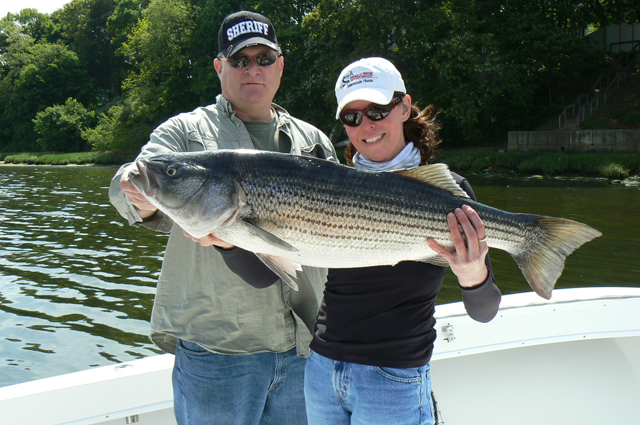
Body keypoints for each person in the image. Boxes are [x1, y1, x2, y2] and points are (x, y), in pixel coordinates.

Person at [109, 10, 336, 425]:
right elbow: (130, 185)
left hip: (306, 346)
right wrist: (138, 195)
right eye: (239, 60)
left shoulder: (314, 141)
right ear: (220, 67)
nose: (254, 69)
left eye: (264, 59)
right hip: (218, 354)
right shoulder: (184, 133)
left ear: (280, 65)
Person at [300, 57, 502, 424]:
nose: (367, 125)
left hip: (392, 378)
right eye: (353, 117)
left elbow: (484, 310)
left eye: (377, 110)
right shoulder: (327, 185)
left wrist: (473, 274)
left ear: (405, 107)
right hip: (321, 370)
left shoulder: (450, 193)